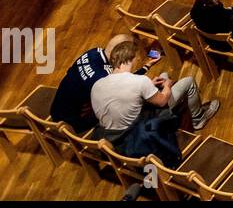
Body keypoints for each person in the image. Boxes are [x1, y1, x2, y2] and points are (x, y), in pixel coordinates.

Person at [89, 39, 219, 160]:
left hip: (113, 136)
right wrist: (167, 86)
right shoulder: (139, 81)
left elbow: (122, 98)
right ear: (133, 58)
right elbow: (162, 101)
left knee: (163, 75)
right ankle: (198, 119)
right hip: (138, 131)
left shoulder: (97, 85)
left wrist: (150, 85)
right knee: (188, 82)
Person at [49, 33, 139, 130]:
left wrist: (146, 67)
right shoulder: (103, 78)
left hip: (56, 109)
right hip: (73, 122)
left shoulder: (93, 52)